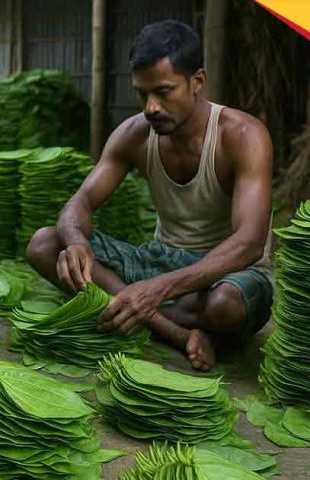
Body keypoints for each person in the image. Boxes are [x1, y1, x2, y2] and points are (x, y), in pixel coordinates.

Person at [26, 20, 273, 372]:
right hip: (161, 260)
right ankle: (176, 332)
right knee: (45, 245)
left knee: (227, 305)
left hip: (226, 274)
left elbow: (248, 244)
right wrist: (77, 241)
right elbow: (77, 205)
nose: (151, 107)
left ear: (197, 81)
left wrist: (156, 289)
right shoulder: (134, 134)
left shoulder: (243, 136)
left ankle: (134, 307)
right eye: (142, 94)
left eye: (163, 91)